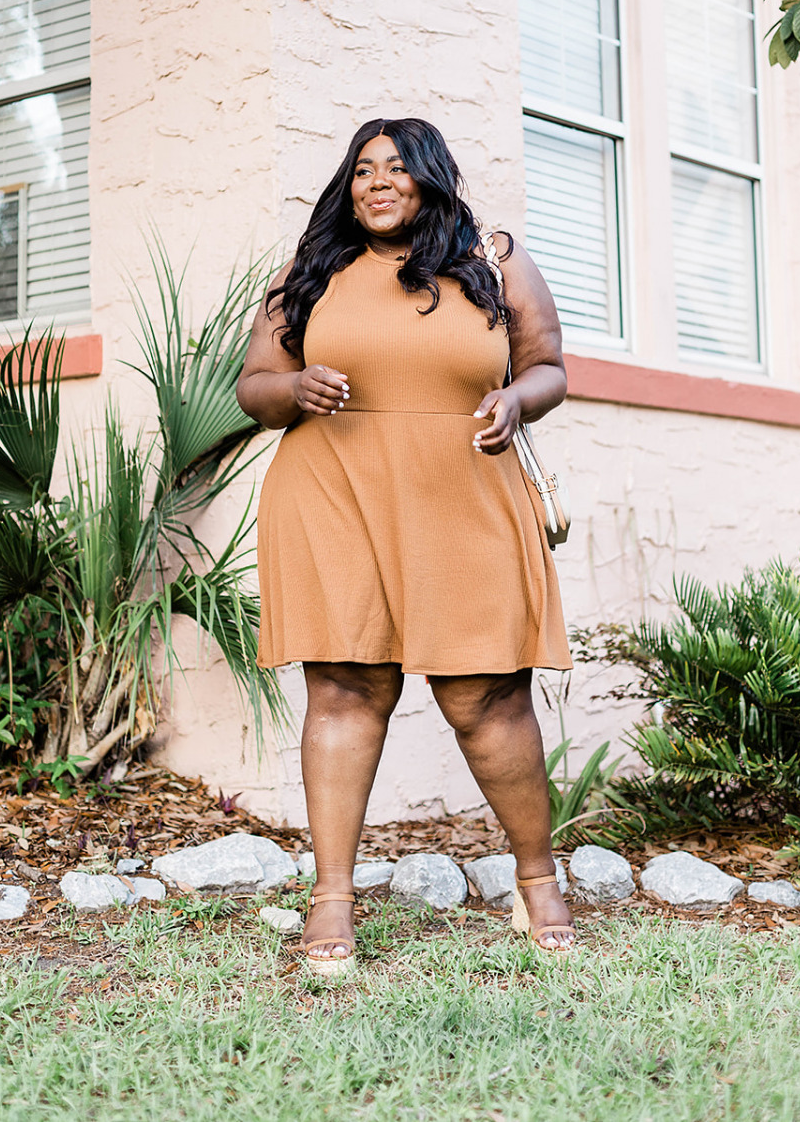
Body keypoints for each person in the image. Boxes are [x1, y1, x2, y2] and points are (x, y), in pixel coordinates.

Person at [236, 117, 573, 972]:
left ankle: (538, 880)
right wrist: (294, 386)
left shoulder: (492, 260)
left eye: (396, 168)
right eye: (361, 170)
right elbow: (254, 388)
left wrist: (517, 402)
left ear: (431, 177)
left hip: (465, 496)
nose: (377, 182)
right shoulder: (312, 272)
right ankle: (332, 900)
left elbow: (549, 367)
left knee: (486, 698)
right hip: (334, 495)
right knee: (345, 690)